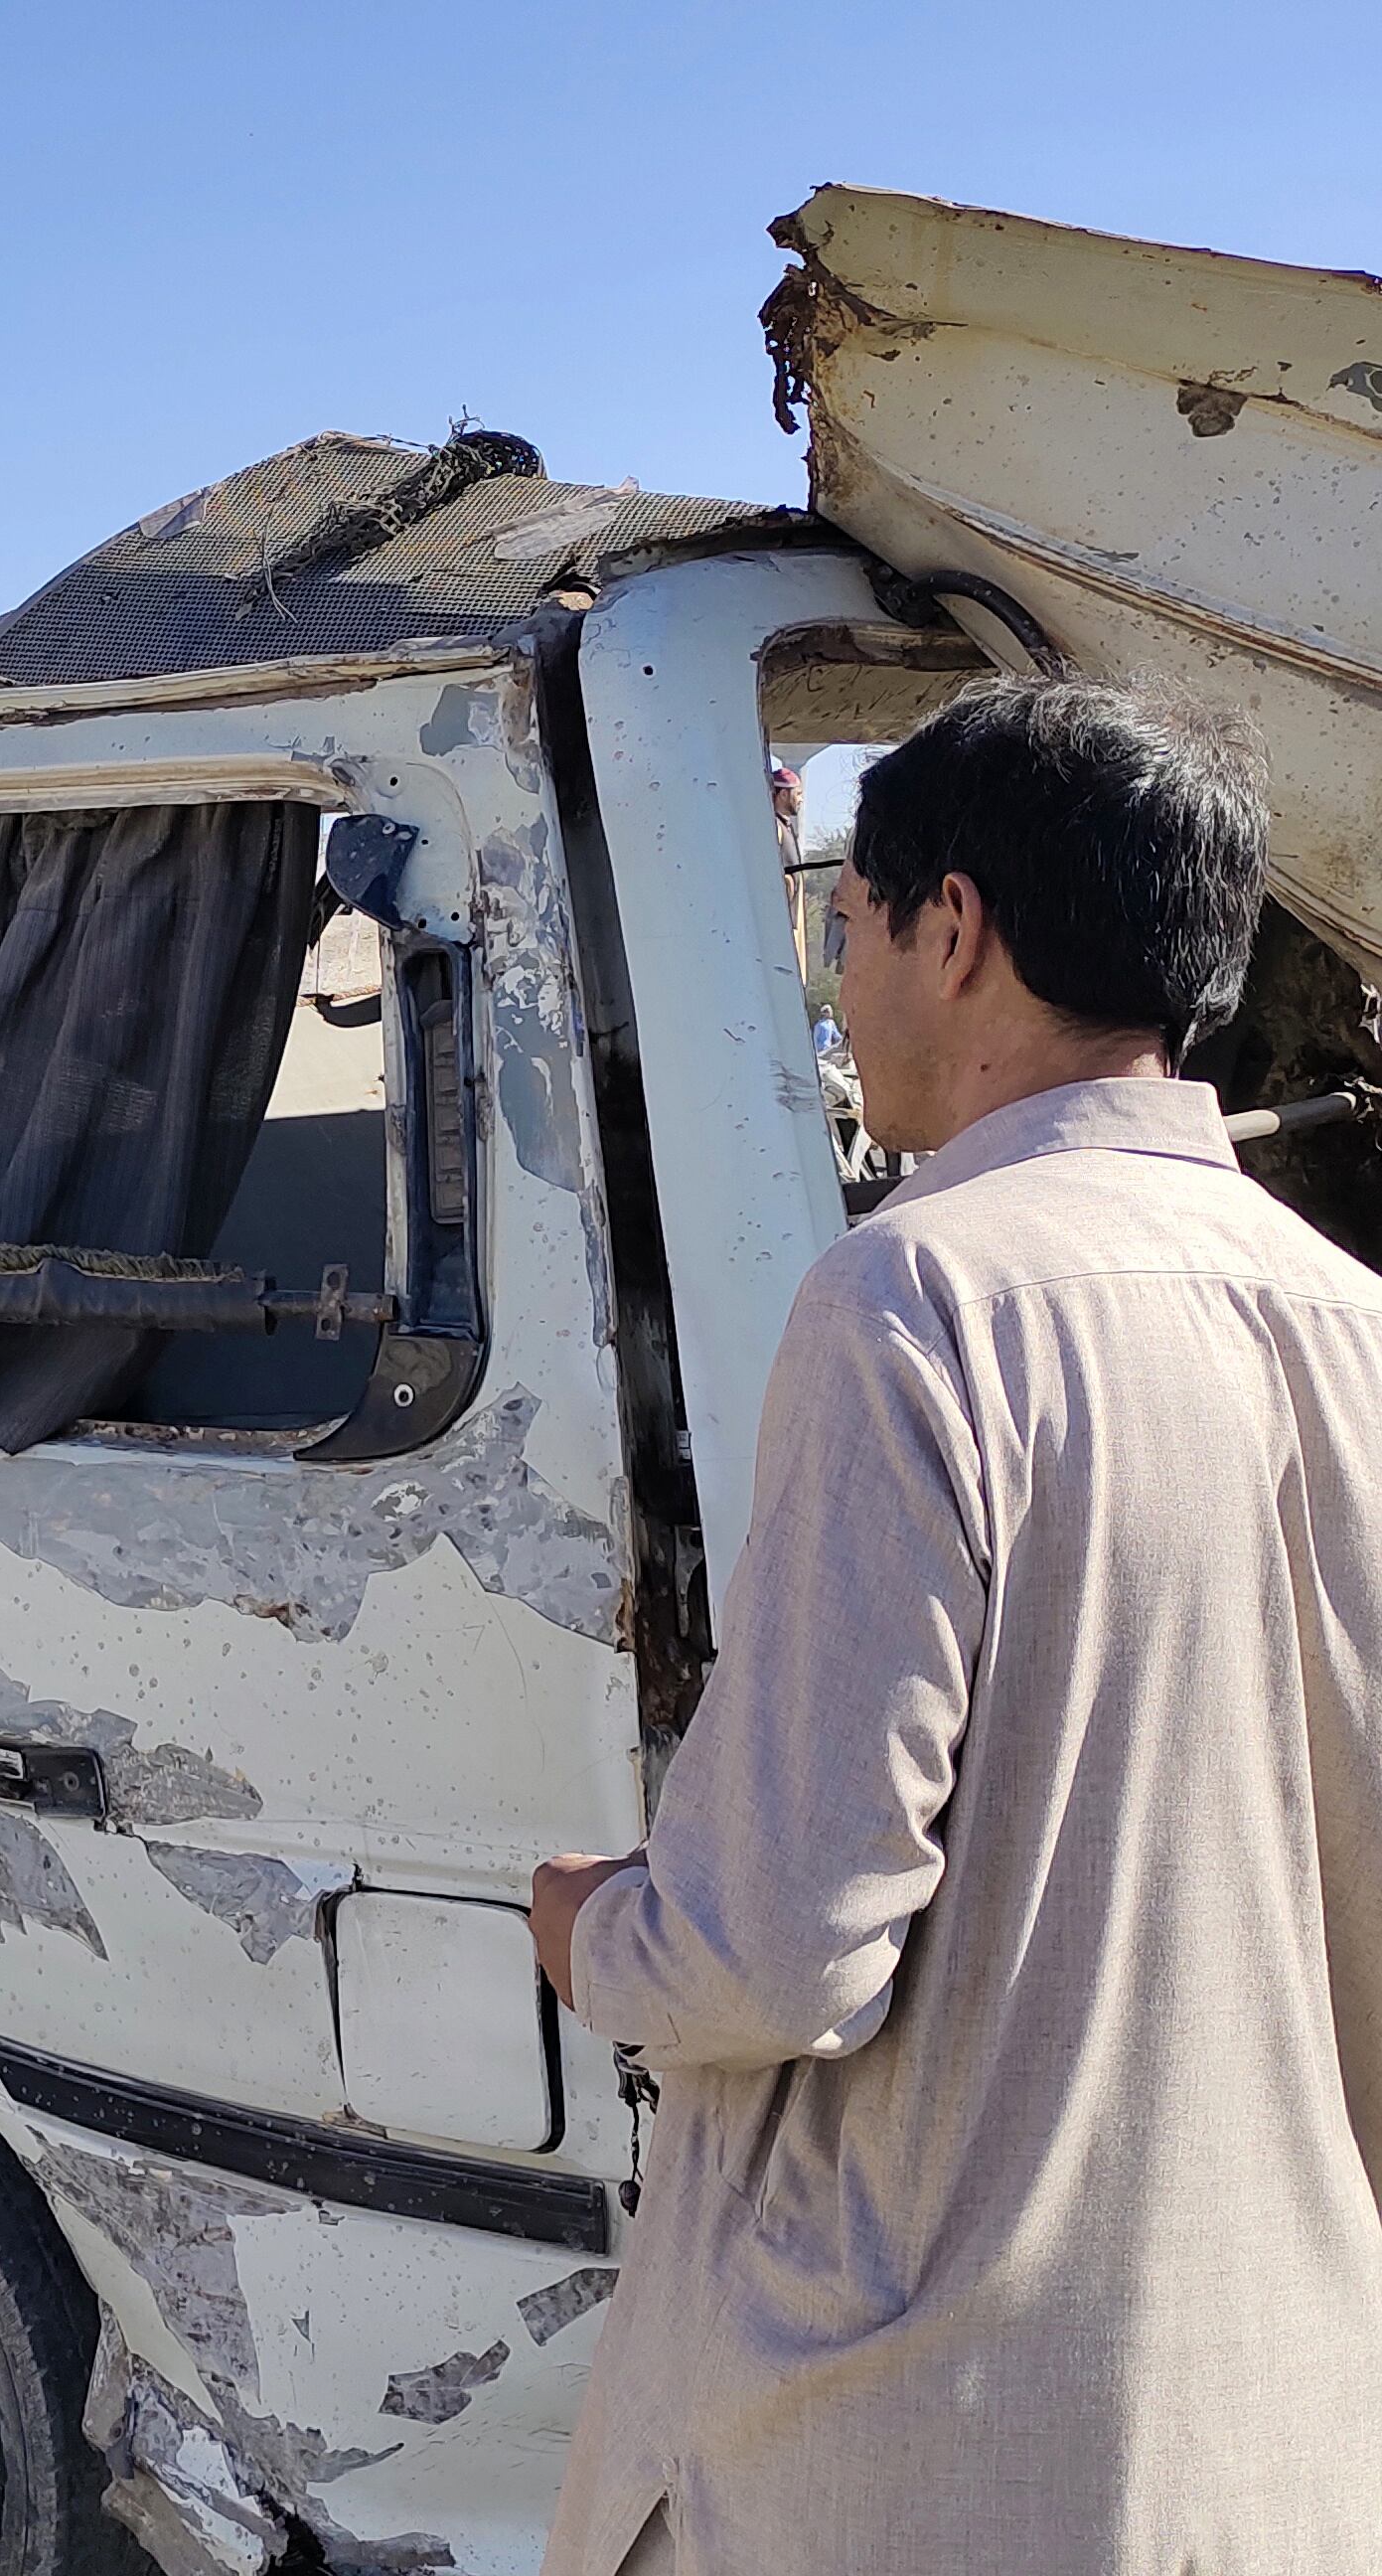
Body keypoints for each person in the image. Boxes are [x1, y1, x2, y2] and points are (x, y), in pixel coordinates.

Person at [530, 681, 1382, 2574]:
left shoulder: (917, 1304)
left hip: (922, 2447)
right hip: (1282, 2426)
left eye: (844, 918)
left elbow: (777, 1956)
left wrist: (596, 1931)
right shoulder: (1349, 1318)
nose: (837, 977)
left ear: (956, 927)